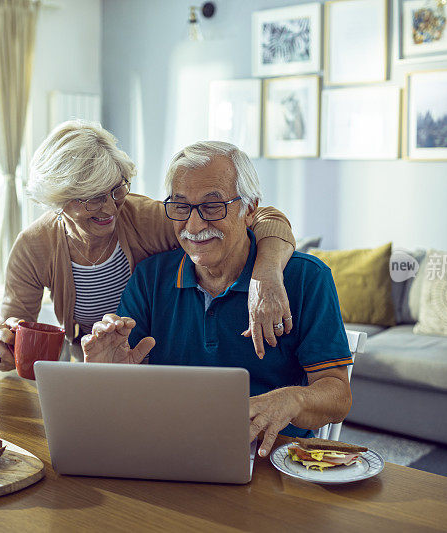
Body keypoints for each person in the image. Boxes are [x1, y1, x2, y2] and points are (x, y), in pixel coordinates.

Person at [81, 141, 352, 458]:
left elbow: (338, 396)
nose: (194, 225)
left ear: (249, 208)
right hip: (172, 450)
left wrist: (293, 399)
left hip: (270, 457)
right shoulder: (149, 277)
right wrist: (105, 376)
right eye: (181, 207)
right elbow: (123, 398)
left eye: (212, 207)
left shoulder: (306, 278)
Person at [0, 121, 296, 369]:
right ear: (59, 202)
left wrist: (266, 274)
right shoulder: (34, 246)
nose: (109, 208)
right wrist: (3, 344)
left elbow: (264, 215)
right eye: (92, 198)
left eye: (115, 189)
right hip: (98, 372)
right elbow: (13, 321)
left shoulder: (147, 218)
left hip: (153, 366)